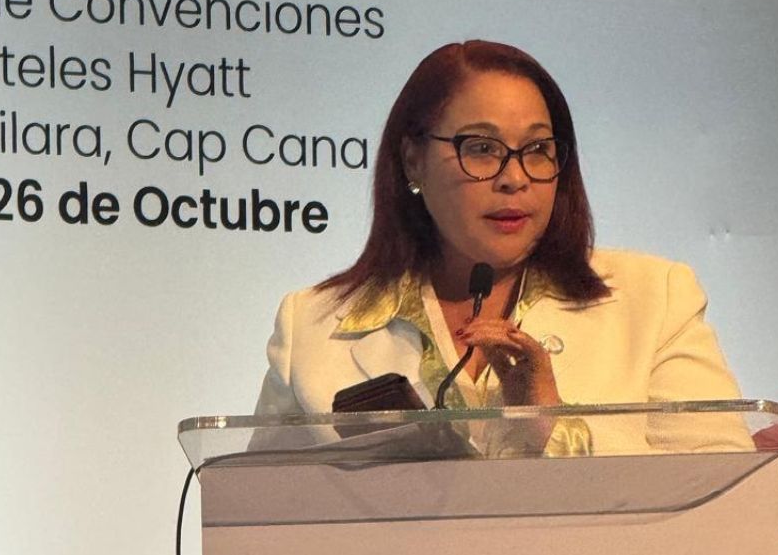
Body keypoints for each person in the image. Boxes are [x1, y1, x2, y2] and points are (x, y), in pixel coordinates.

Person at [254, 40, 749, 455]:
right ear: (412, 161)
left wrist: (552, 429)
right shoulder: (311, 328)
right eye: (481, 148)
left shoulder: (655, 300)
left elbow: (728, 502)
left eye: (537, 150)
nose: (514, 178)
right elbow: (263, 518)